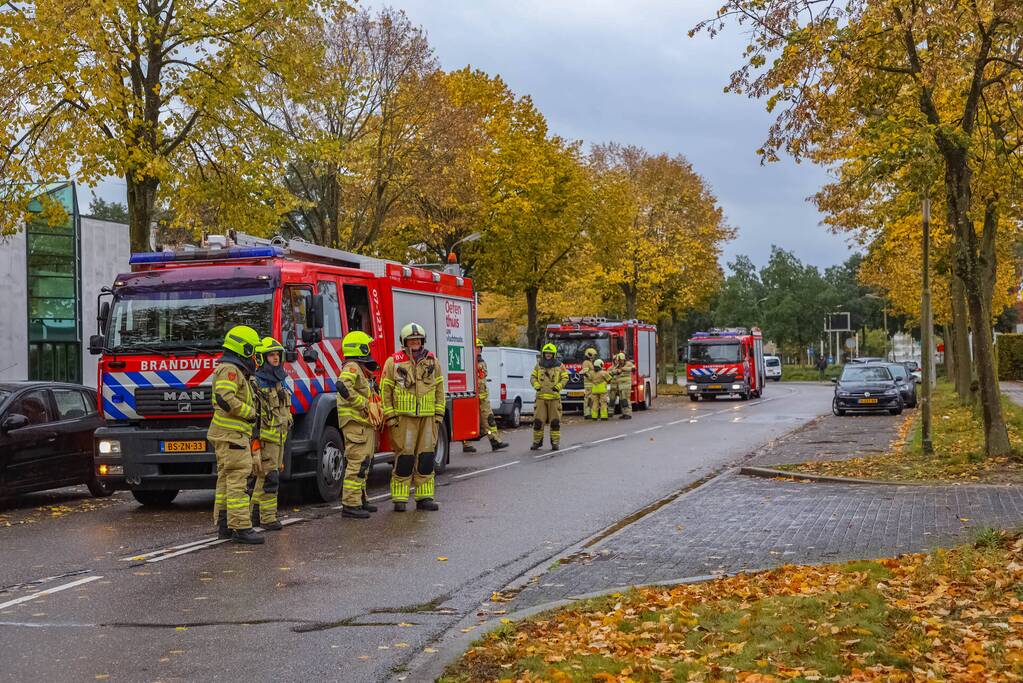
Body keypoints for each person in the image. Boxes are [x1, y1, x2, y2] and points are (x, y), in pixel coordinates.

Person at [381, 323, 444, 512]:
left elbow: (440, 388)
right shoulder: (394, 362)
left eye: (418, 339)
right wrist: (390, 417)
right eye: (411, 339)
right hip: (403, 419)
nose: (415, 342)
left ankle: (424, 497)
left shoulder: (432, 361)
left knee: (426, 458)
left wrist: (438, 416)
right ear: (404, 342)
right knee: (405, 459)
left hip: (428, 419)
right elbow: (385, 391)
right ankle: (400, 499)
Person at [210, 325, 264, 545]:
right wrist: (250, 413)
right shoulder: (230, 370)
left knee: (226, 481)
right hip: (232, 435)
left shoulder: (232, 370)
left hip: (228, 435)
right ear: (245, 348)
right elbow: (225, 398)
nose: (255, 357)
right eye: (254, 351)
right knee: (238, 481)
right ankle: (241, 527)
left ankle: (225, 525)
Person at [336, 330, 383, 519]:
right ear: (359, 347)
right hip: (355, 424)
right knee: (357, 463)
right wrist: (363, 404)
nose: (369, 349)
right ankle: (350, 504)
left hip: (362, 424)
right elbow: (342, 386)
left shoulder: (358, 367)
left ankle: (361, 499)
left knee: (364, 463)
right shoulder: (352, 366)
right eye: (367, 346)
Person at [249, 337, 292, 531]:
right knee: (268, 478)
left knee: (265, 477)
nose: (275, 358)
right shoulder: (257, 382)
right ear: (262, 358)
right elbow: (254, 413)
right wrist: (255, 439)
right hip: (266, 439)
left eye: (277, 354)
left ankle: (256, 515)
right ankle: (267, 518)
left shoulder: (281, 381)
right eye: (271, 355)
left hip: (279, 438)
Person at [463, 338, 509, 454]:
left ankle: (495, 441)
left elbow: (482, 379)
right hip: (471, 398)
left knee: (489, 419)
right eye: (475, 348)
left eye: (479, 348)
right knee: (469, 420)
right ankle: (466, 443)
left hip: (483, 398)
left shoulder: (482, 362)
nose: (477, 350)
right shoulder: (468, 362)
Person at [530, 343, 568, 451]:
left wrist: (558, 386)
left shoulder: (560, 365)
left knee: (555, 422)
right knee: (538, 422)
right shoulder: (538, 365)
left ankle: (555, 443)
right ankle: (537, 442)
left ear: (554, 354)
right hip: (541, 398)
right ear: (543, 353)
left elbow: (565, 378)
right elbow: (532, 377)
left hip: (554, 398)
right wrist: (536, 386)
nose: (548, 355)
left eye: (550, 353)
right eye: (546, 353)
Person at [609, 352, 635, 420]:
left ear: (624, 359)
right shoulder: (617, 366)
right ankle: (624, 414)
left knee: (626, 400)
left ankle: (628, 414)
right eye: (619, 360)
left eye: (622, 360)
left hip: (626, 386)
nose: (620, 361)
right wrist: (616, 371)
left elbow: (633, 368)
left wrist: (623, 369)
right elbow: (612, 371)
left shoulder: (628, 364)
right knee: (622, 400)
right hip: (620, 387)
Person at [581, 347, 599, 419]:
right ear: (589, 355)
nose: (594, 357)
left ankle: (590, 412)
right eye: (593, 355)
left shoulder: (590, 362)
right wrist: (591, 378)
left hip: (591, 383)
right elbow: (585, 372)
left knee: (591, 398)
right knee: (588, 398)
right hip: (588, 383)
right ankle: (587, 413)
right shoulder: (586, 362)